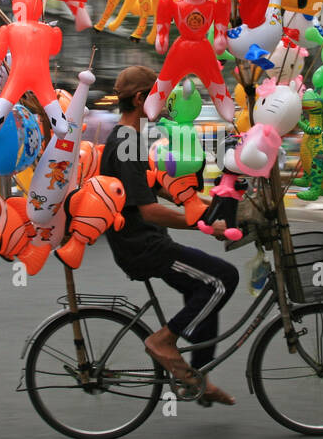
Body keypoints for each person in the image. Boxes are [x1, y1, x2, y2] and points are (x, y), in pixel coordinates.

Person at [100, 65, 240, 406]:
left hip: (149, 241)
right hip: (142, 246)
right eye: (158, 95)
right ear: (139, 98)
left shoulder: (130, 138)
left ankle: (197, 379)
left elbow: (157, 189)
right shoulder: (125, 140)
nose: (164, 103)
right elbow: (148, 210)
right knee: (222, 279)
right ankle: (163, 341)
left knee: (203, 286)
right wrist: (202, 223)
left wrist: (207, 204)